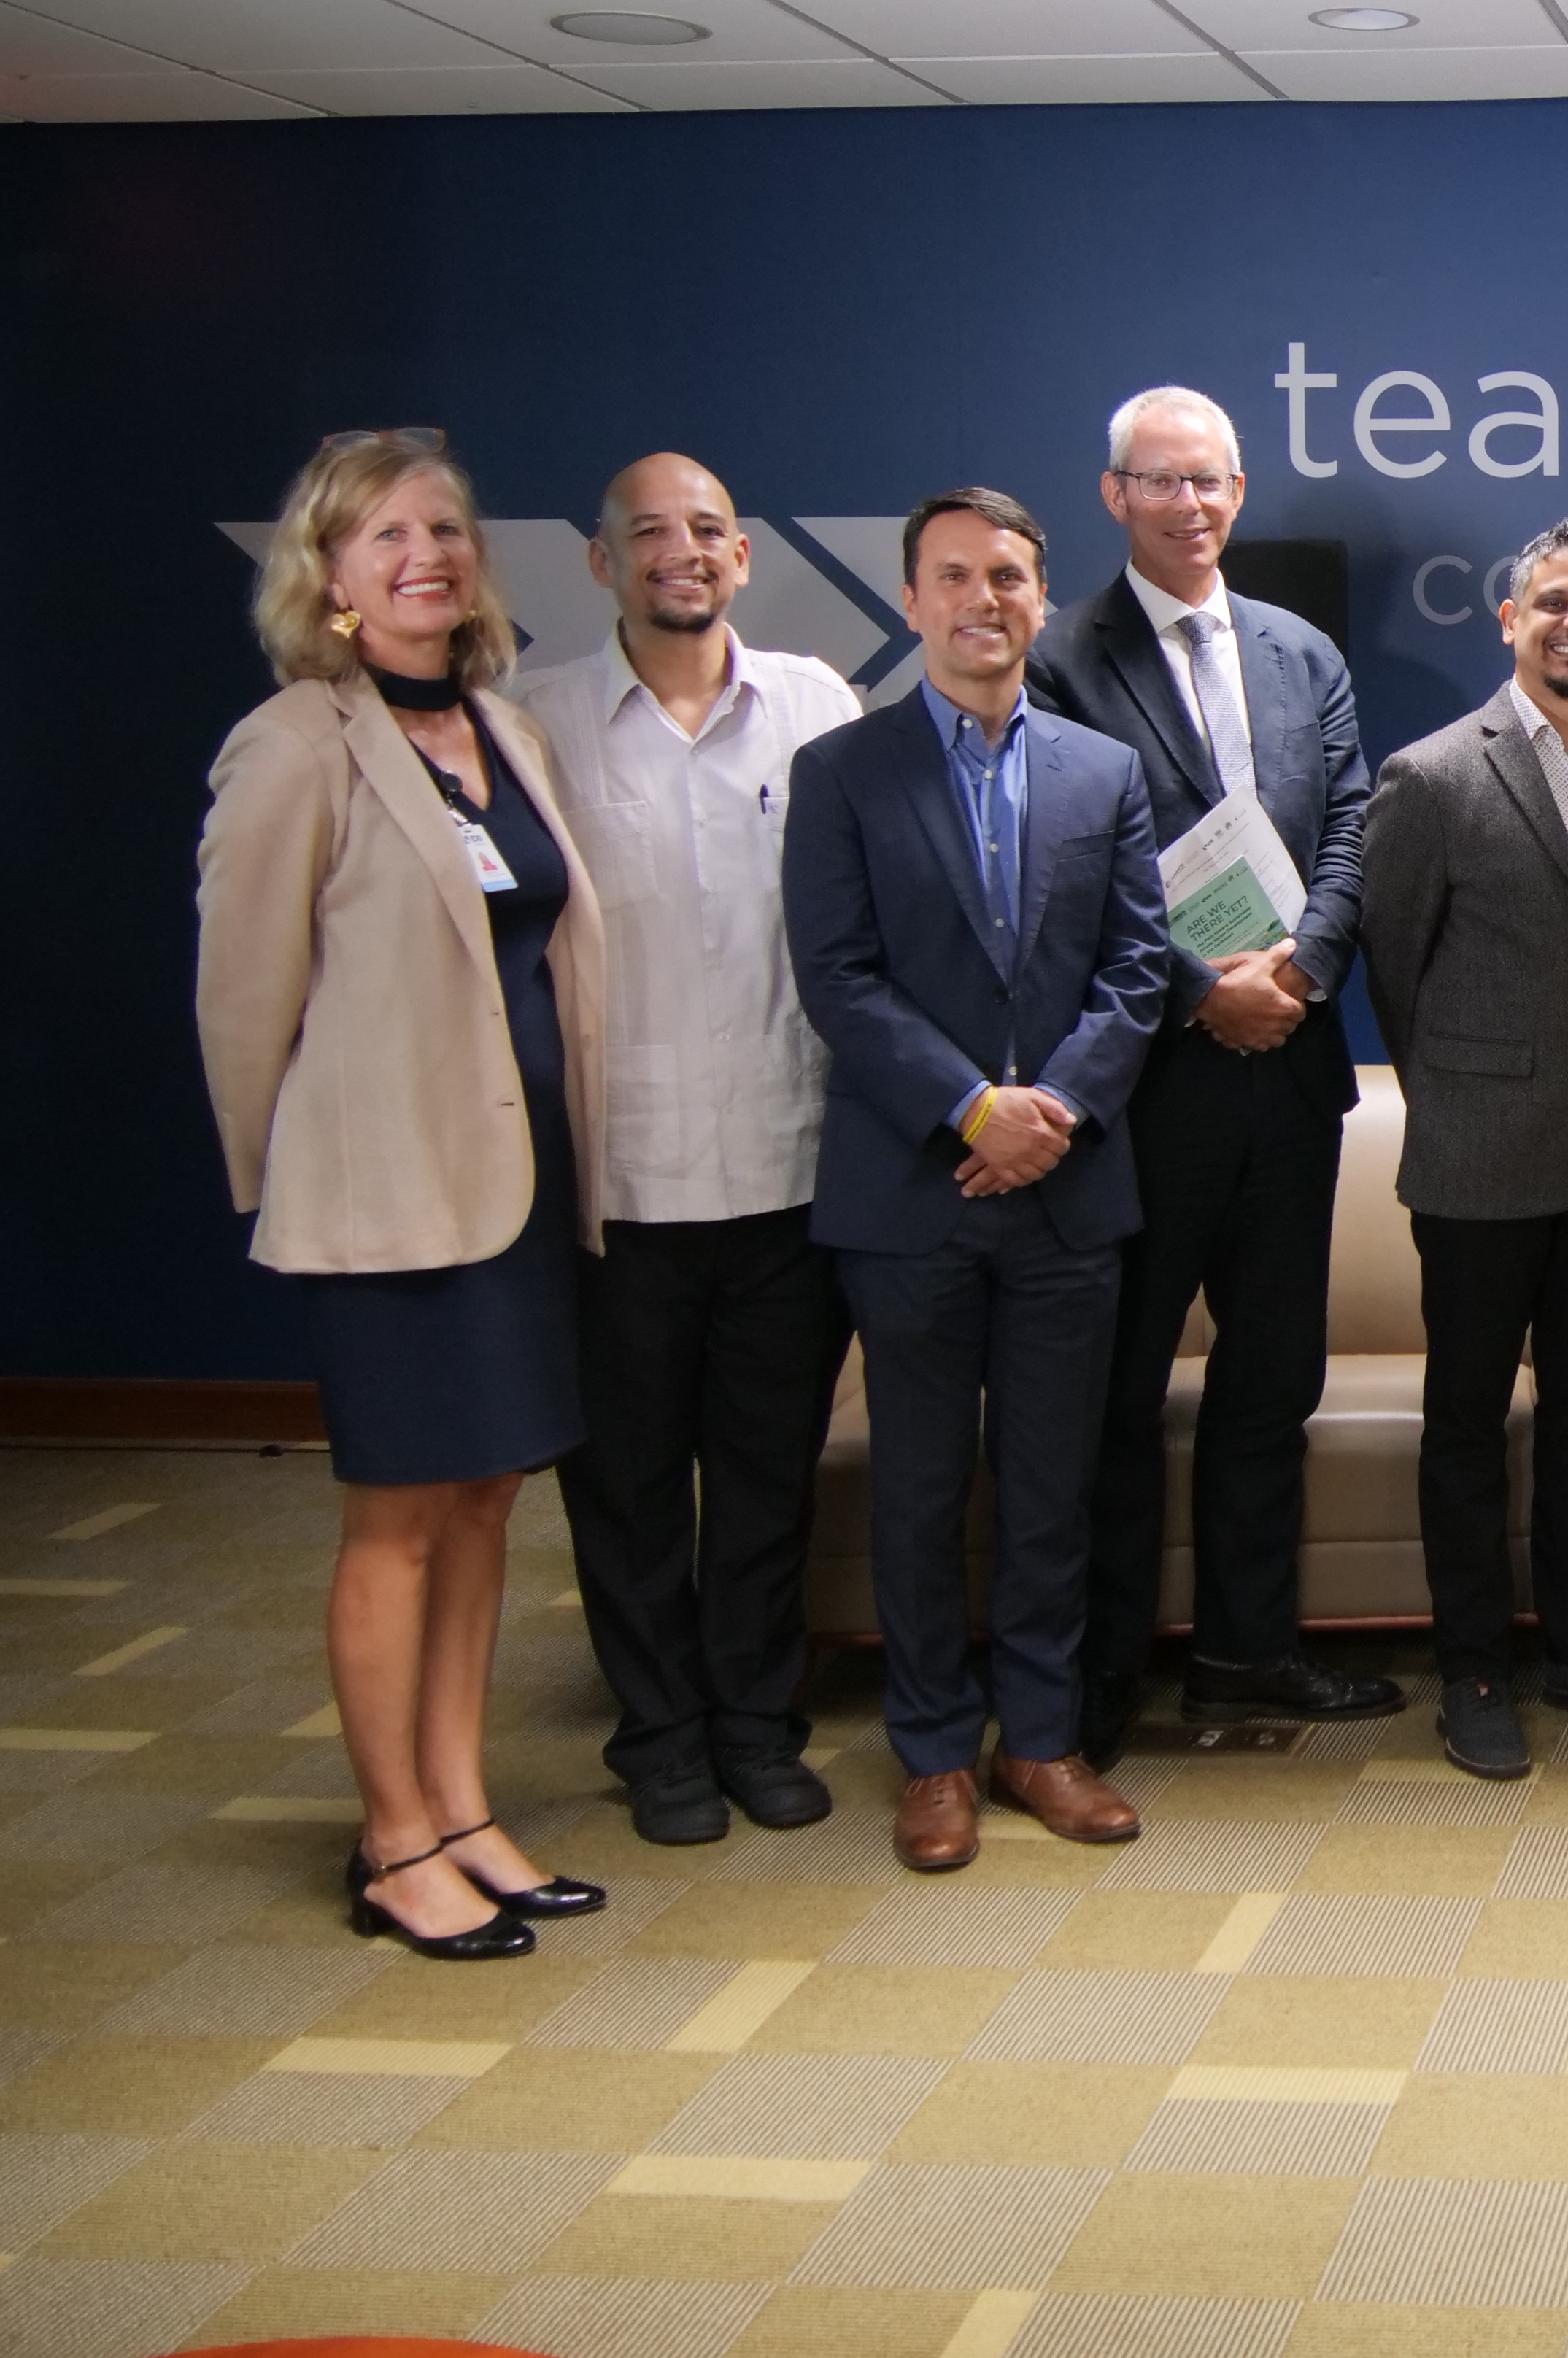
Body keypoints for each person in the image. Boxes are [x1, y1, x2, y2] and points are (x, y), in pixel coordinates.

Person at [197, 428, 609, 1957]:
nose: (424, 554)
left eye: (442, 528)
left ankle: (463, 1806)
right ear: (329, 578)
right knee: (397, 1518)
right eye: (383, 536)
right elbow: (244, 997)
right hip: (384, 1203)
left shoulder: (507, 734)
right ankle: (391, 1842)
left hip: (517, 1187)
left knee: (487, 1501)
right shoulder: (299, 742)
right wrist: (285, 1184)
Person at [782, 487, 1170, 1872]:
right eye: (953, 577)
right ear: (913, 601)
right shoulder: (843, 772)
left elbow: (1138, 969)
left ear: (1038, 596)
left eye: (1006, 576)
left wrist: (1049, 1109)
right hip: (910, 1197)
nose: (981, 600)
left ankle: (1042, 1742)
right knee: (922, 1486)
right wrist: (971, 1110)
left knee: (1052, 1485)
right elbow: (837, 977)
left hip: (1067, 1193)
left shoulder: (1100, 771)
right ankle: (936, 1754)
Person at [1028, 387, 1394, 1762]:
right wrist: (1202, 994)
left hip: (1291, 1082)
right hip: (1150, 1091)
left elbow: (1355, 824)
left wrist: (1296, 974)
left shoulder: (1302, 653)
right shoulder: (1066, 659)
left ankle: (1250, 1655)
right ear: (1114, 493)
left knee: (1269, 1384)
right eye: (1160, 482)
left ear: (1242, 492)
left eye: (1212, 481)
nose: (1190, 505)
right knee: (1118, 1396)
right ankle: (1098, 1676)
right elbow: (1073, 872)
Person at [509, 452, 863, 1848]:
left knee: (770, 1482)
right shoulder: (532, 728)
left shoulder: (819, 708)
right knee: (630, 1489)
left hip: (790, 1166)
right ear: (601, 563)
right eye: (649, 532)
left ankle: (757, 1725)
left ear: (743, 558)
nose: (682, 552)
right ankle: (657, 1738)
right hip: (617, 1183)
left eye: (707, 530)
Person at [1359, 517, 1568, 1782]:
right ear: (1509, 621)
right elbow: (1394, 970)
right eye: (1554, 601)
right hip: (1476, 1155)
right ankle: (1470, 1666)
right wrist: (1469, 1090)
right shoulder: (1434, 777)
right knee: (1464, 1419)